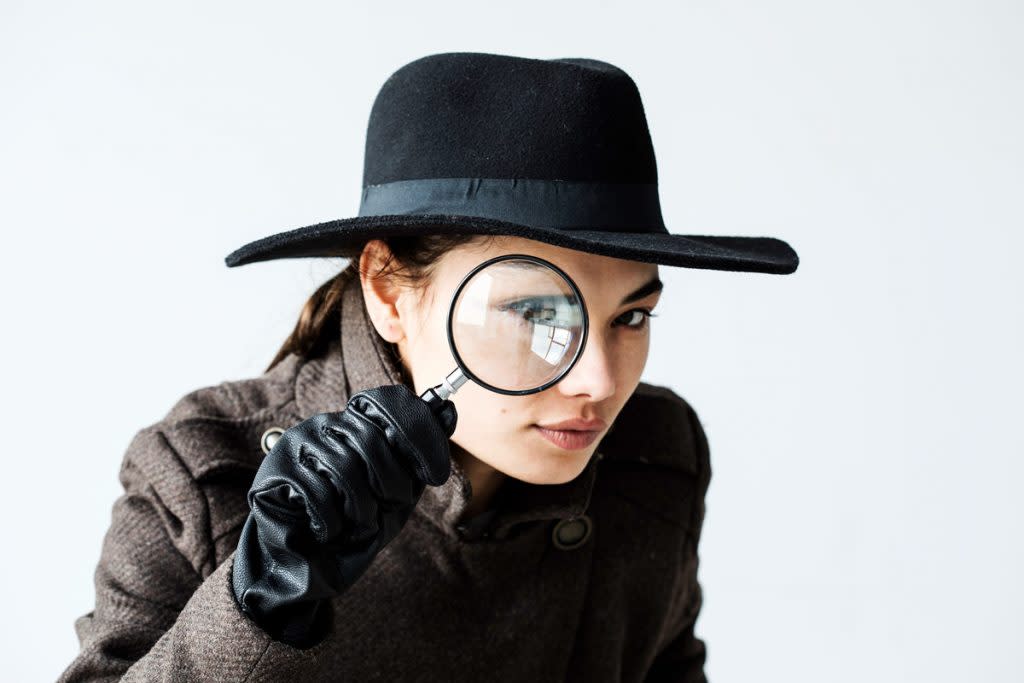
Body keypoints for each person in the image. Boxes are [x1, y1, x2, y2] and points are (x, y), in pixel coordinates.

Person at [58, 52, 798, 682]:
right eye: (539, 315)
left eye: (632, 316)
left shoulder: (653, 458)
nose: (601, 382)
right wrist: (257, 603)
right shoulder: (201, 473)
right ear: (387, 289)